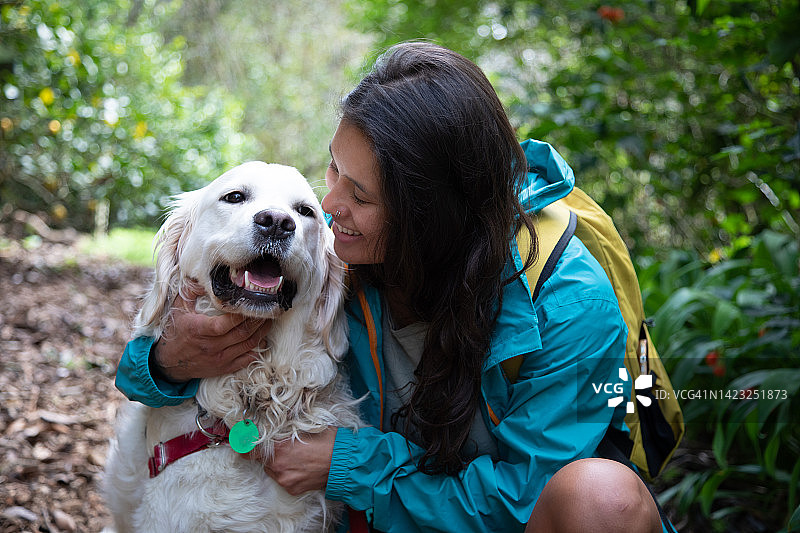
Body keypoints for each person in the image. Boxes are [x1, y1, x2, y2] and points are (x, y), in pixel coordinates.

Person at [116, 42, 669, 532]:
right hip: (378, 519)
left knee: (604, 500)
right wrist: (168, 361)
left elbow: (522, 503)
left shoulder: (571, 304)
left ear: (429, 217)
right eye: (333, 171)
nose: (329, 208)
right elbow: (157, 362)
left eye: (360, 195)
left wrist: (351, 467)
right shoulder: (337, 259)